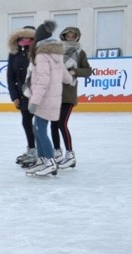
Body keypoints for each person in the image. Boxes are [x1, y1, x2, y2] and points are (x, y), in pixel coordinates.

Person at [24, 21, 72, 177]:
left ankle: (50, 161)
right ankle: (43, 159)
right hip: (54, 99)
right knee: (37, 128)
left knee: (40, 130)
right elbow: (66, 78)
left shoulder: (43, 55)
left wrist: (34, 101)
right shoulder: (57, 54)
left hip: (44, 99)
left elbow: (42, 81)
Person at [52, 26, 92, 170]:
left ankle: (70, 155)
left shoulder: (80, 53)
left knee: (62, 124)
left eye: (73, 36)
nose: (70, 38)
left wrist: (75, 71)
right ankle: (57, 152)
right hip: (54, 92)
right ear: (63, 36)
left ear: (77, 37)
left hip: (68, 93)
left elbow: (88, 71)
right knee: (53, 125)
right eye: (68, 36)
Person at [7, 26, 37, 167]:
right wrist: (14, 96)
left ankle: (43, 152)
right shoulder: (14, 53)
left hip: (38, 94)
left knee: (39, 125)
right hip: (22, 95)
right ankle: (31, 149)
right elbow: (10, 76)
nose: (26, 40)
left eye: (29, 37)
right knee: (26, 122)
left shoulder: (38, 52)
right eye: (23, 37)